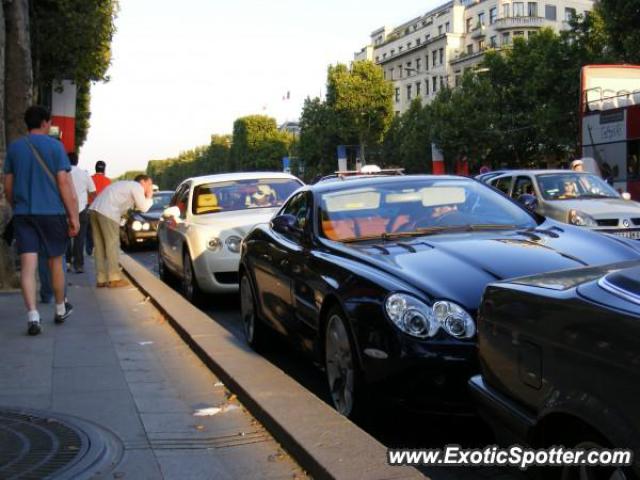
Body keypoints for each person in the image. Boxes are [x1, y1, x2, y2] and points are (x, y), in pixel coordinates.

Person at [3, 105, 80, 335]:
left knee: (28, 266)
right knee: (56, 261)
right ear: (45, 122)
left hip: (24, 214)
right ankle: (59, 308)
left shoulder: (15, 148)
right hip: (52, 213)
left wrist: (16, 206)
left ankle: (33, 316)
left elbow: (7, 184)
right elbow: (63, 183)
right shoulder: (56, 147)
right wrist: (73, 216)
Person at [89, 175, 153, 288]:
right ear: (143, 181)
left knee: (99, 246)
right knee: (112, 244)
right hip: (108, 212)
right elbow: (143, 207)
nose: (150, 187)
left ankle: (101, 279)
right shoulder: (137, 186)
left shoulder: (126, 185)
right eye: (150, 184)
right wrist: (149, 197)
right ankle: (114, 278)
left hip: (95, 209)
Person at [66, 152, 96, 273]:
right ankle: (78, 264)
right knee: (80, 238)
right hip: (82, 209)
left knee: (66, 237)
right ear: (77, 161)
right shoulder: (84, 174)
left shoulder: (63, 174)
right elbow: (93, 192)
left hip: (66, 209)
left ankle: (67, 262)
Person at [86, 160, 111, 255]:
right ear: (104, 169)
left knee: (89, 231)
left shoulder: (89, 179)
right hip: (103, 208)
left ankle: (90, 250)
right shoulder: (108, 181)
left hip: (90, 207)